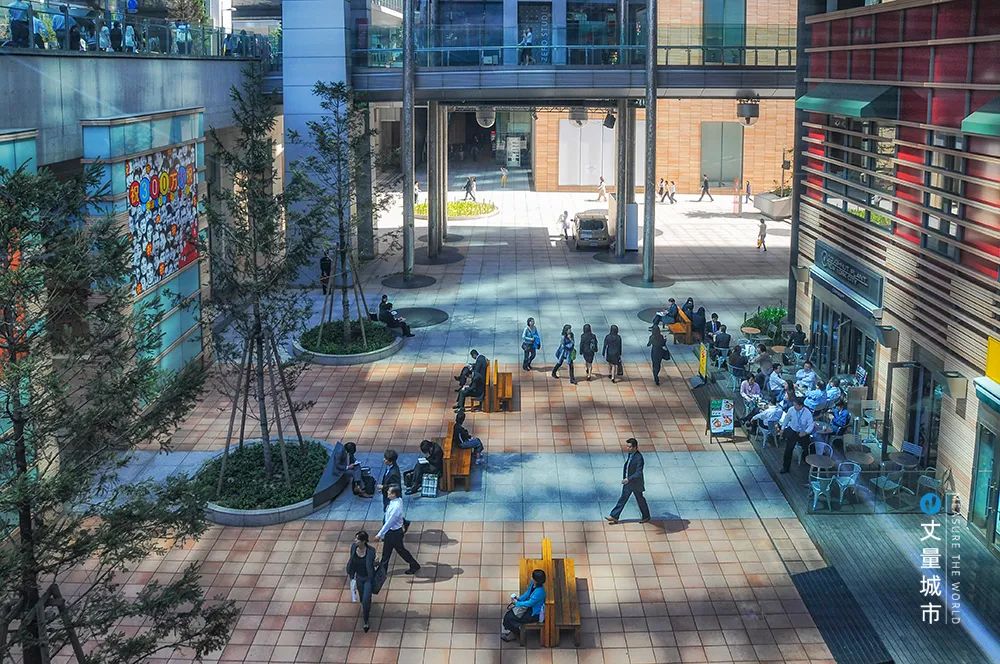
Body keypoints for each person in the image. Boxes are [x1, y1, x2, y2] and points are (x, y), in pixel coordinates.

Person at [375, 486, 420, 574]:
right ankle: (382, 571)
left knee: (395, 551)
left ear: (394, 494)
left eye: (389, 492)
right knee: (391, 552)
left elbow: (389, 523)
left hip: (394, 533)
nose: (387, 493)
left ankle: (382, 572)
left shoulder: (396, 508)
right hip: (393, 532)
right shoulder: (398, 500)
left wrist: (379, 534)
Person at [606, 438, 651, 524]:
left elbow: (639, 472)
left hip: (635, 483)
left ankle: (646, 516)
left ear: (635, 447)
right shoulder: (630, 454)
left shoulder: (639, 458)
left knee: (640, 500)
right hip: (628, 483)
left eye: (630, 447)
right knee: (623, 498)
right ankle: (614, 516)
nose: (627, 448)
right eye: (627, 446)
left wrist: (628, 479)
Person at [501, 569, 546, 642]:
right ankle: (514, 631)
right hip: (528, 608)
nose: (531, 578)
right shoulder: (533, 584)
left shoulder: (540, 592)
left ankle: (516, 633)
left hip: (533, 614)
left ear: (536, 580)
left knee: (509, 618)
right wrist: (519, 599)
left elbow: (530, 603)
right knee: (509, 615)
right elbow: (527, 593)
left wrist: (517, 603)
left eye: (532, 577)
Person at [346, 530, 377, 632]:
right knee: (362, 597)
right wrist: (351, 575)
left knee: (366, 600)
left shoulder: (371, 551)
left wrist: (376, 563)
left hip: (368, 578)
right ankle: (366, 607)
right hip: (358, 577)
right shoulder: (353, 548)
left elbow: (373, 564)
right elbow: (351, 561)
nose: (355, 541)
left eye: (357, 539)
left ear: (363, 541)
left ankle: (366, 621)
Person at [778, 398, 815, 473]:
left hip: (803, 432)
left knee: (808, 447)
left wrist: (806, 432)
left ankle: (809, 463)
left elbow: (811, 424)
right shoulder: (791, 410)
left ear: (801, 406)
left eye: (795, 405)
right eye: (794, 405)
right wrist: (782, 428)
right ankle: (786, 467)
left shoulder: (807, 413)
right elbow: (786, 419)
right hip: (793, 431)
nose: (794, 407)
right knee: (788, 450)